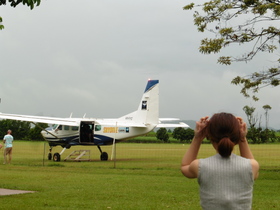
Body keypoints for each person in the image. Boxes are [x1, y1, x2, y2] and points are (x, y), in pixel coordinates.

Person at [181, 113, 259, 210]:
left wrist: (198, 137)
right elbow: (250, 165)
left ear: (209, 135)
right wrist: (242, 138)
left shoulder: (200, 166)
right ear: (237, 136)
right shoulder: (252, 166)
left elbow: (185, 166)